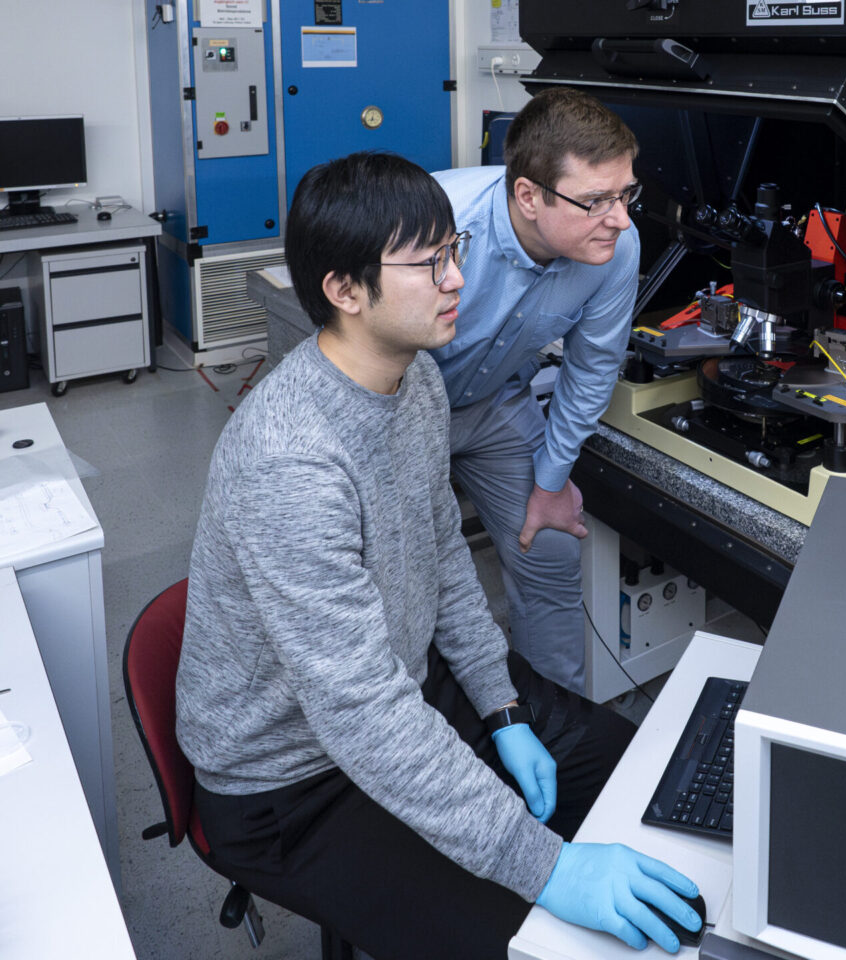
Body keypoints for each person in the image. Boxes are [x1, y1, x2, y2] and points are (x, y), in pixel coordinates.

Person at [174, 151, 701, 959]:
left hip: (408, 690)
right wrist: (548, 868)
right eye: (430, 264)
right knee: (529, 935)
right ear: (345, 291)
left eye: (455, 251)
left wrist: (501, 709)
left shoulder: (413, 378)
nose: (458, 280)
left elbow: (443, 558)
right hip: (291, 784)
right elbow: (361, 716)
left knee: (625, 770)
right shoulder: (289, 461)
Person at [431, 88, 641, 694]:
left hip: (495, 402)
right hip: (400, 407)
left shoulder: (613, 246)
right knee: (404, 574)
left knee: (549, 549)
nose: (621, 218)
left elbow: (592, 366)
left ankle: (557, 727)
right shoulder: (437, 222)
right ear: (528, 195)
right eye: (597, 200)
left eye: (626, 193)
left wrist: (551, 482)